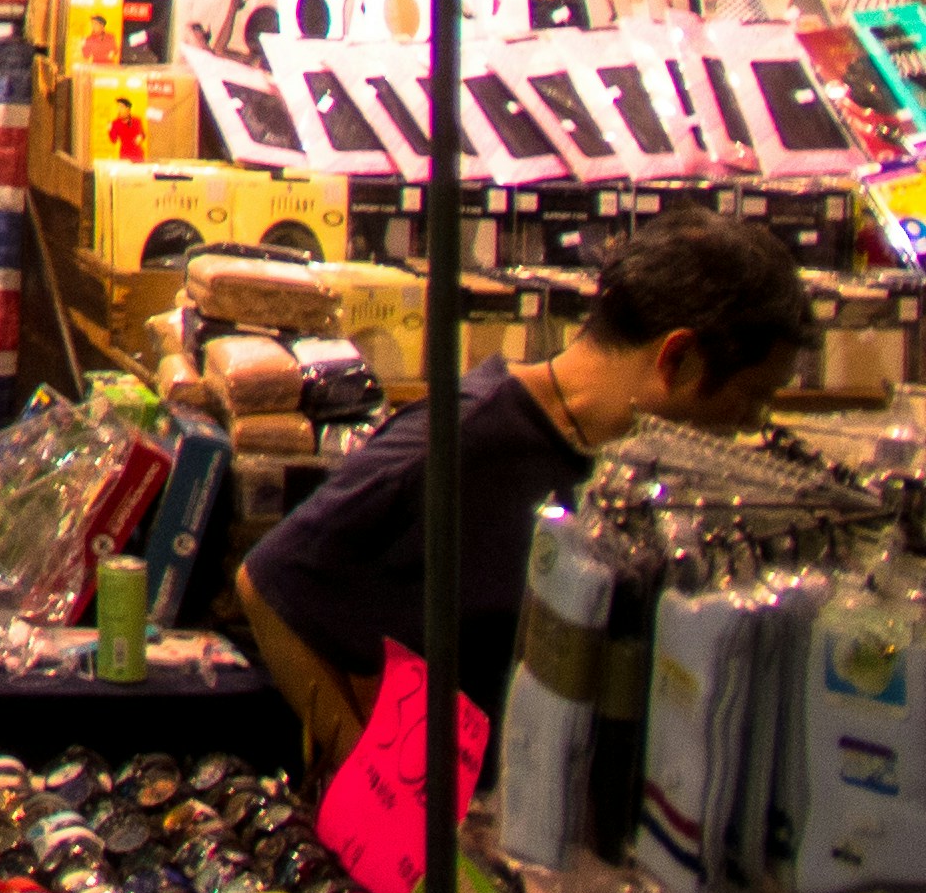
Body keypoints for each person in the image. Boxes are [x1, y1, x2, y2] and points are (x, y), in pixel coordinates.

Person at [237, 208, 810, 763]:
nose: (751, 424)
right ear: (678, 358)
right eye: (751, 397)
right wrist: (365, 777)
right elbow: (267, 583)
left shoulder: (630, 462)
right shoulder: (454, 442)